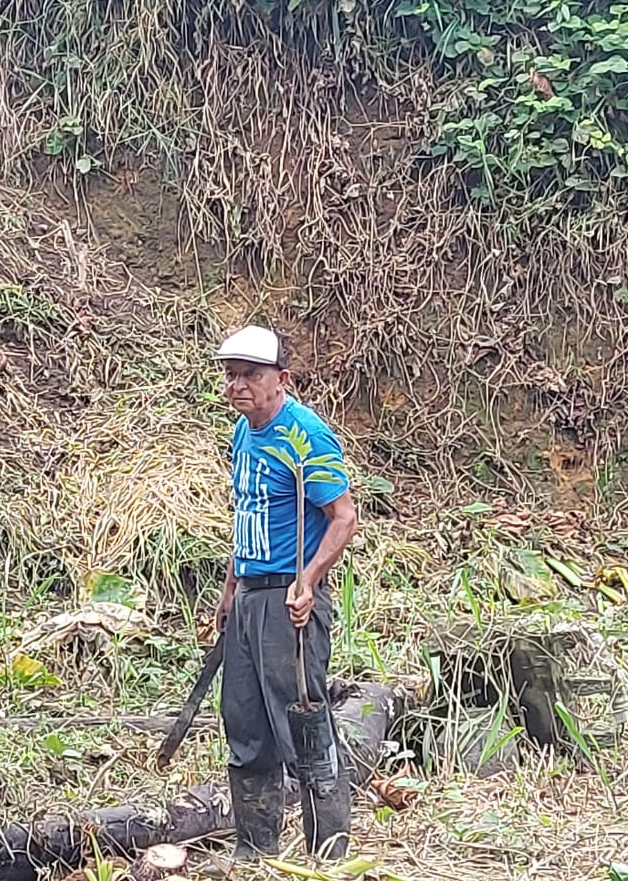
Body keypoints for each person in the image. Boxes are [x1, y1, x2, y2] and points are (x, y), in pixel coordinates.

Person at [213, 325, 359, 862]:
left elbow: (342, 517)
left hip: (288, 600)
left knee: (303, 726)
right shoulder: (242, 433)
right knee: (245, 724)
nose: (238, 386)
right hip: (250, 594)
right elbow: (246, 513)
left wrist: (309, 579)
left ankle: (329, 856)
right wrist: (231, 587)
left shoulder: (305, 437)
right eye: (231, 376)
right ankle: (254, 853)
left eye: (251, 375)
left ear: (282, 379)